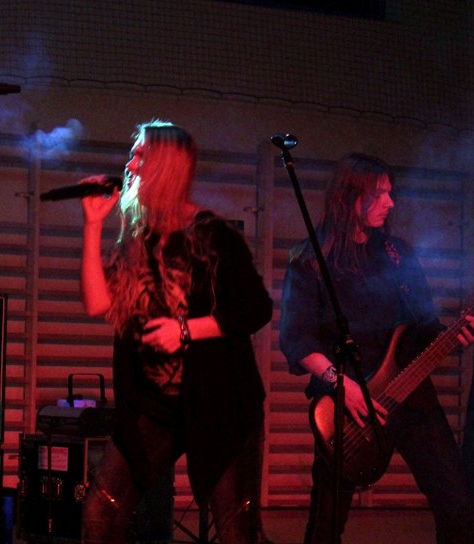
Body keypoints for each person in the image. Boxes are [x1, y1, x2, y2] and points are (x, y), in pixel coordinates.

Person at [78, 120, 275, 544]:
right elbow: (96, 303)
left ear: (166, 166)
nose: (130, 165)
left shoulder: (214, 236)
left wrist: (184, 330)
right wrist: (92, 225)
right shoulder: (138, 237)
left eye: (140, 156)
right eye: (132, 156)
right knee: (100, 511)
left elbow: (256, 308)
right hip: (154, 406)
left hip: (219, 403)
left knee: (235, 530)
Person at [279, 152, 474, 544]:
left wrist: (455, 338)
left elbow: (424, 326)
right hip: (348, 403)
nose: (390, 202)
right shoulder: (311, 259)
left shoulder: (397, 253)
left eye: (391, 192)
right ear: (349, 197)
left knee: (456, 504)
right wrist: (343, 385)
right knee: (325, 525)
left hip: (411, 394)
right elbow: (296, 338)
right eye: (380, 194)